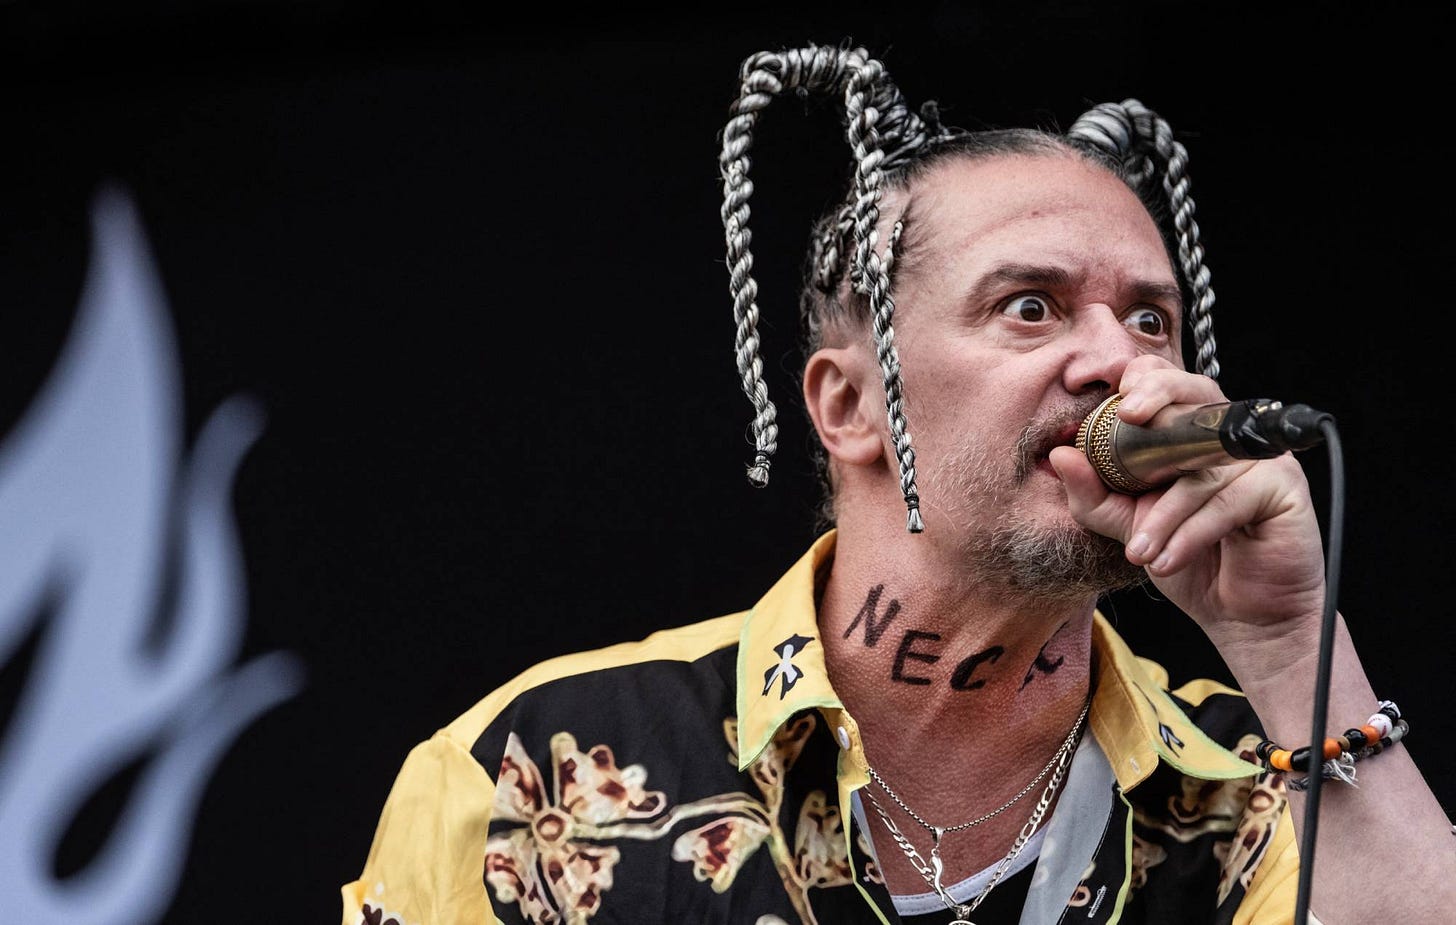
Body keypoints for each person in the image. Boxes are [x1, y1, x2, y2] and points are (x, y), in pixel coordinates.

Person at [339, 42, 1456, 924]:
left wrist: (1291, 650)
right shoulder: (533, 769)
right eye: (1030, 306)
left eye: (1151, 319)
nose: (1122, 364)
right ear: (849, 407)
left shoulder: (1269, 785)